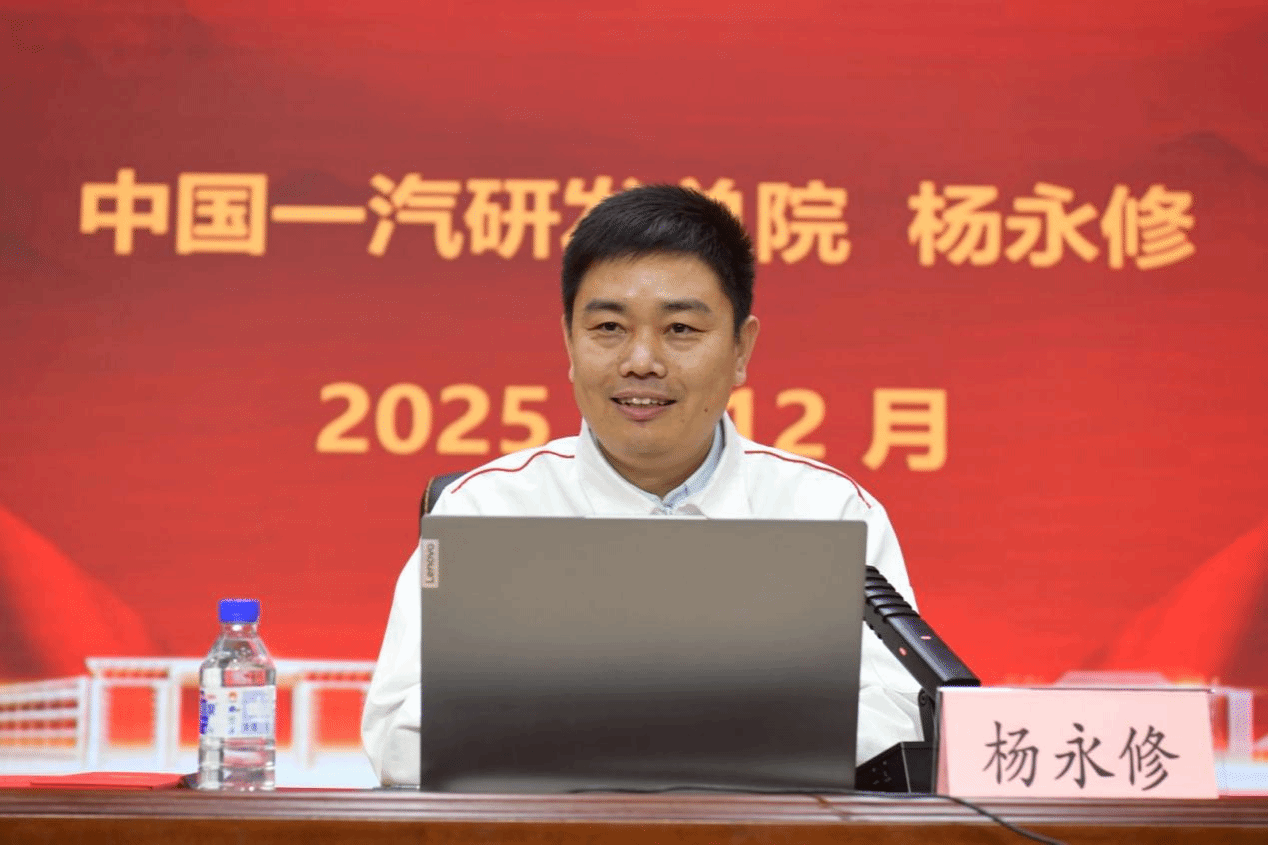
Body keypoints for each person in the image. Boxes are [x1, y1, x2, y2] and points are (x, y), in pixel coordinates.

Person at [361, 185, 923, 785]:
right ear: (569, 342)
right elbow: (398, 736)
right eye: (609, 327)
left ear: (741, 349)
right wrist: (696, 731)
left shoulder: (829, 511)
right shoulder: (483, 509)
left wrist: (608, 730)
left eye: (680, 328)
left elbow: (900, 715)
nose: (641, 361)